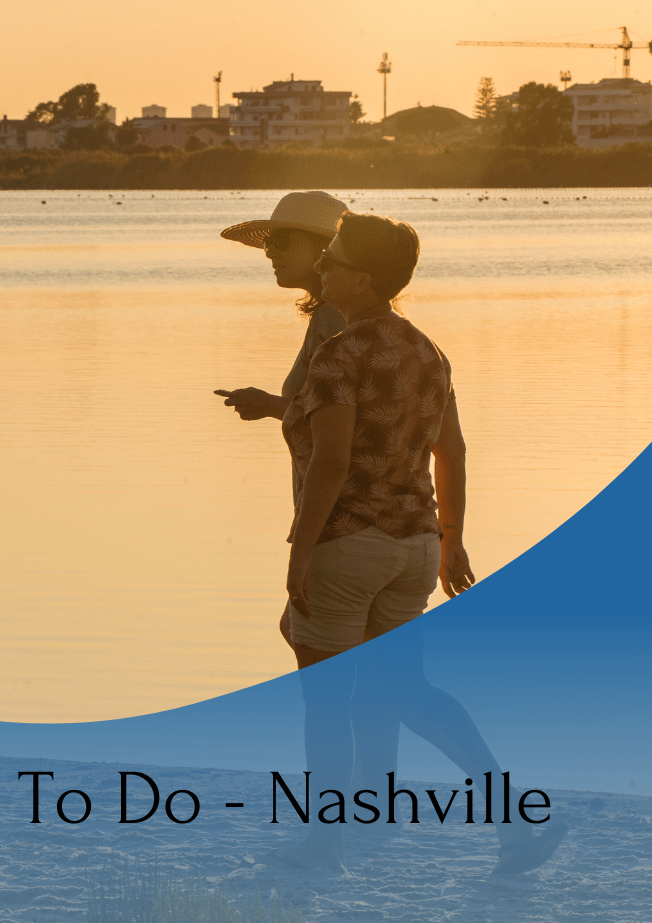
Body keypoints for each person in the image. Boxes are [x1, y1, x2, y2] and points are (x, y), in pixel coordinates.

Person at [269, 212, 564, 874]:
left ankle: (325, 844)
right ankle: (513, 817)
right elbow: (450, 447)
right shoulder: (428, 351)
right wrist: (450, 540)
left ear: (364, 281)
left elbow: (331, 463)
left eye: (333, 259)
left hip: (347, 545)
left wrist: (299, 548)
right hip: (412, 548)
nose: (323, 268)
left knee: (325, 699)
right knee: (405, 689)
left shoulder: (338, 354)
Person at [214, 192, 350, 654]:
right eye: (268, 243)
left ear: (322, 249)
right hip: (373, 520)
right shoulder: (329, 314)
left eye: (283, 241)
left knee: (308, 646)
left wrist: (269, 406)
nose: (270, 253)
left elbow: (343, 426)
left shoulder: (334, 317)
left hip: (341, 517)